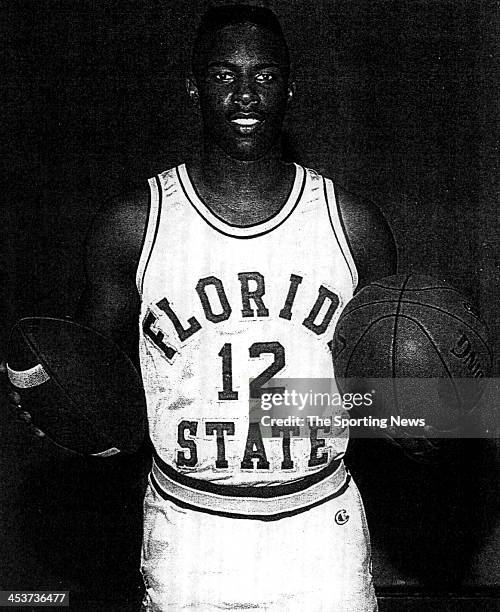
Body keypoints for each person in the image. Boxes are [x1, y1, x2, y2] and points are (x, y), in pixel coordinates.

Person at [7, 5, 397, 611]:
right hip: (188, 531)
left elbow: (395, 393)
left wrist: (441, 414)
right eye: (224, 75)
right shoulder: (136, 223)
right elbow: (90, 371)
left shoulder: (352, 224)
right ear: (193, 87)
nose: (246, 93)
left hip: (320, 527)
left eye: (265, 75)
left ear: (291, 86)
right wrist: (53, 397)